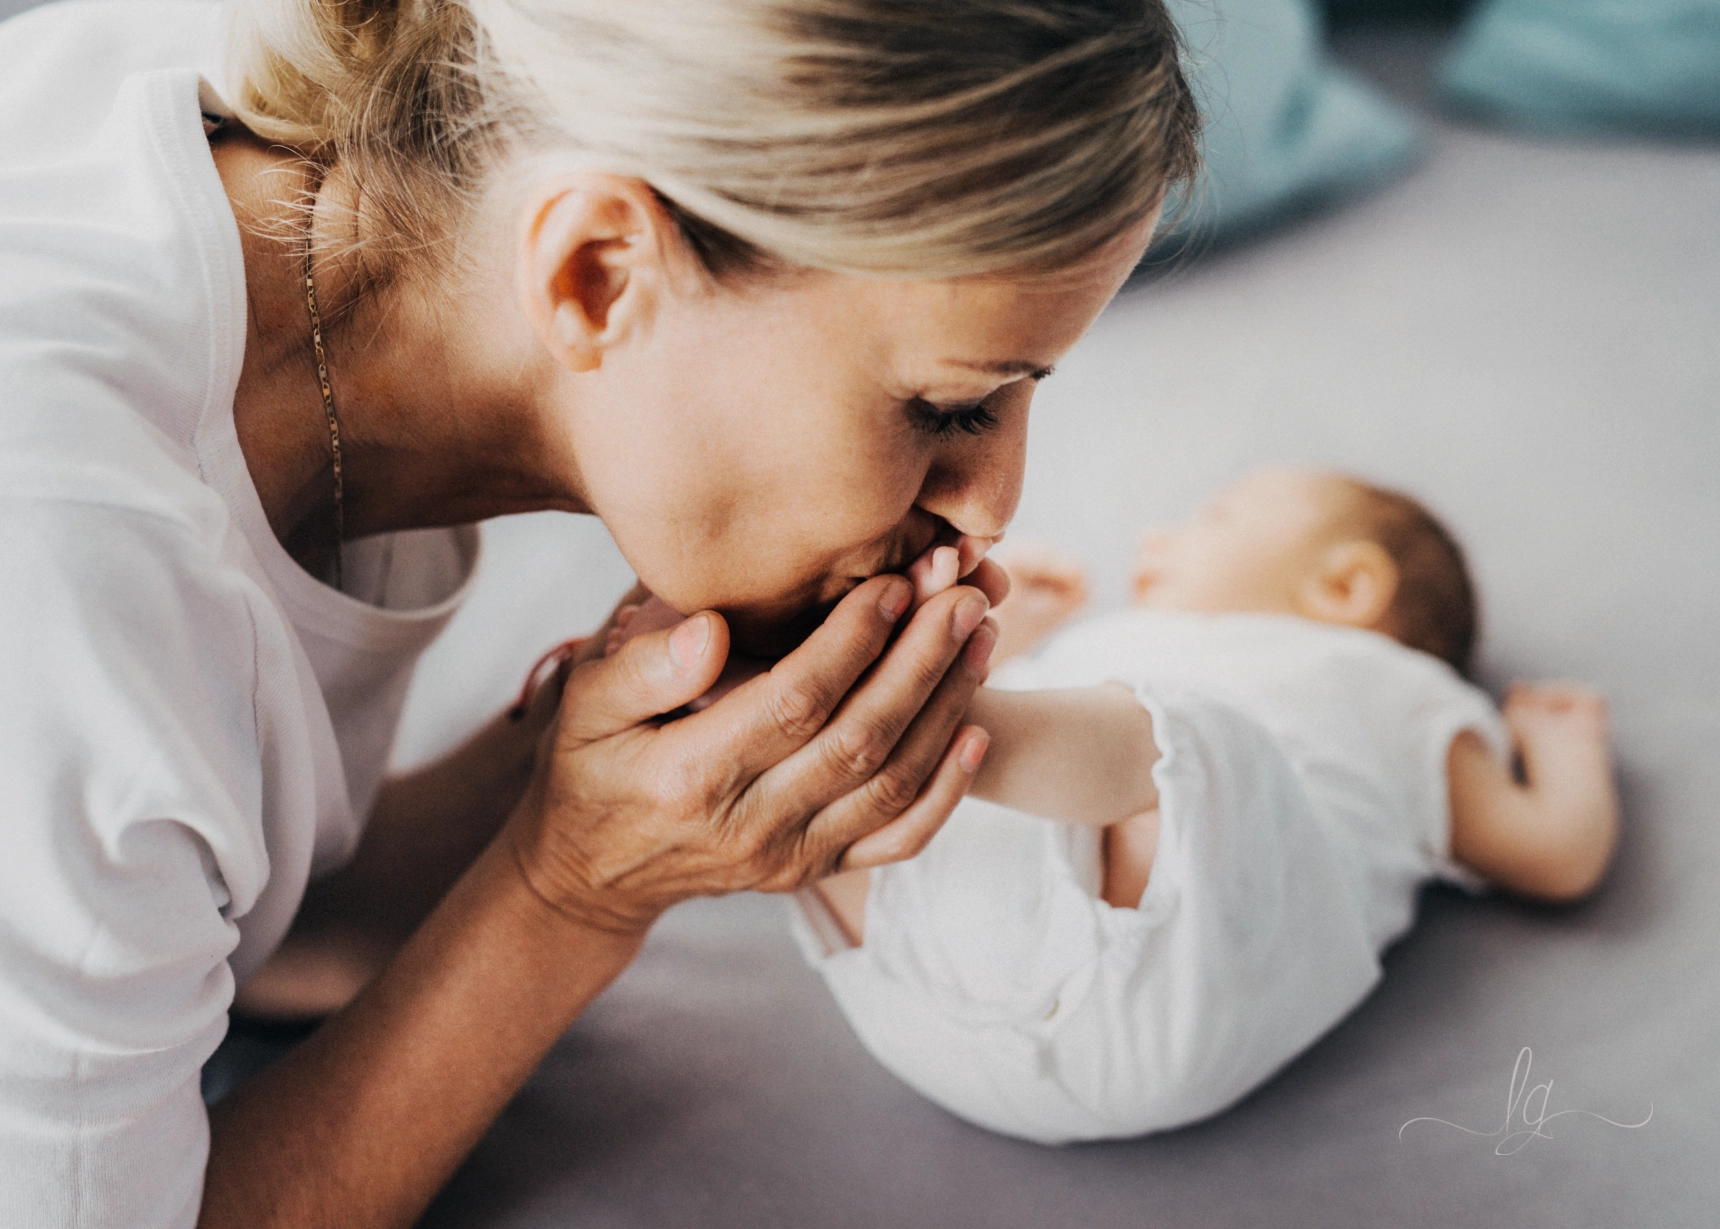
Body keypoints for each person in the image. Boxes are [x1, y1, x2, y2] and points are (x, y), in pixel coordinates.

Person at [0, 0, 1202, 1223]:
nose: (991, 507)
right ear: (597, 272)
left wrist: (608, 762)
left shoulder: (366, 195)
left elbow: (228, 926)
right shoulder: (63, 591)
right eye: (947, 408)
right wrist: (572, 892)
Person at [787, 468, 1620, 1144]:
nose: (1157, 538)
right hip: (923, 991)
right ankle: (822, 753)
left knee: (1192, 741)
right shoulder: (1113, 645)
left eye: (1214, 516)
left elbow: (1555, 853)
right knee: (1061, 738)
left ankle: (910, 709)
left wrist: (1563, 747)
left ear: (1345, 585)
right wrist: (1024, 634)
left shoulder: (1395, 690)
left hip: (1169, 994)